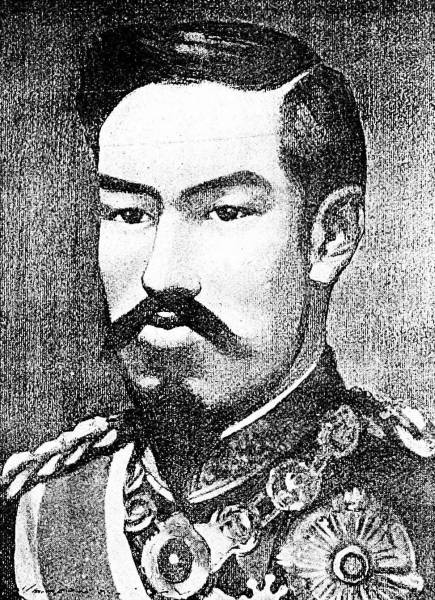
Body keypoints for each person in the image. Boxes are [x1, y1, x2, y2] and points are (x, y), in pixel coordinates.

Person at [1, 21, 434, 600]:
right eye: (129, 213)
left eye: (224, 213)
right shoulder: (42, 515)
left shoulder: (422, 503)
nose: (161, 276)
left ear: (330, 237)